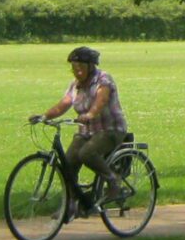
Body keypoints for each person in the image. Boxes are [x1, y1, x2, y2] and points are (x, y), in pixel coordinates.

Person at [31, 45, 129, 211]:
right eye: (74, 68)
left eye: (81, 67)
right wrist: (44, 116)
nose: (78, 72)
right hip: (86, 132)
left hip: (111, 129)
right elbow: (64, 104)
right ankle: (72, 203)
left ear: (91, 66)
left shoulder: (103, 79)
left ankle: (113, 180)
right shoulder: (75, 85)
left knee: (87, 153)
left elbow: (101, 99)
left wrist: (91, 114)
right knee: (68, 164)